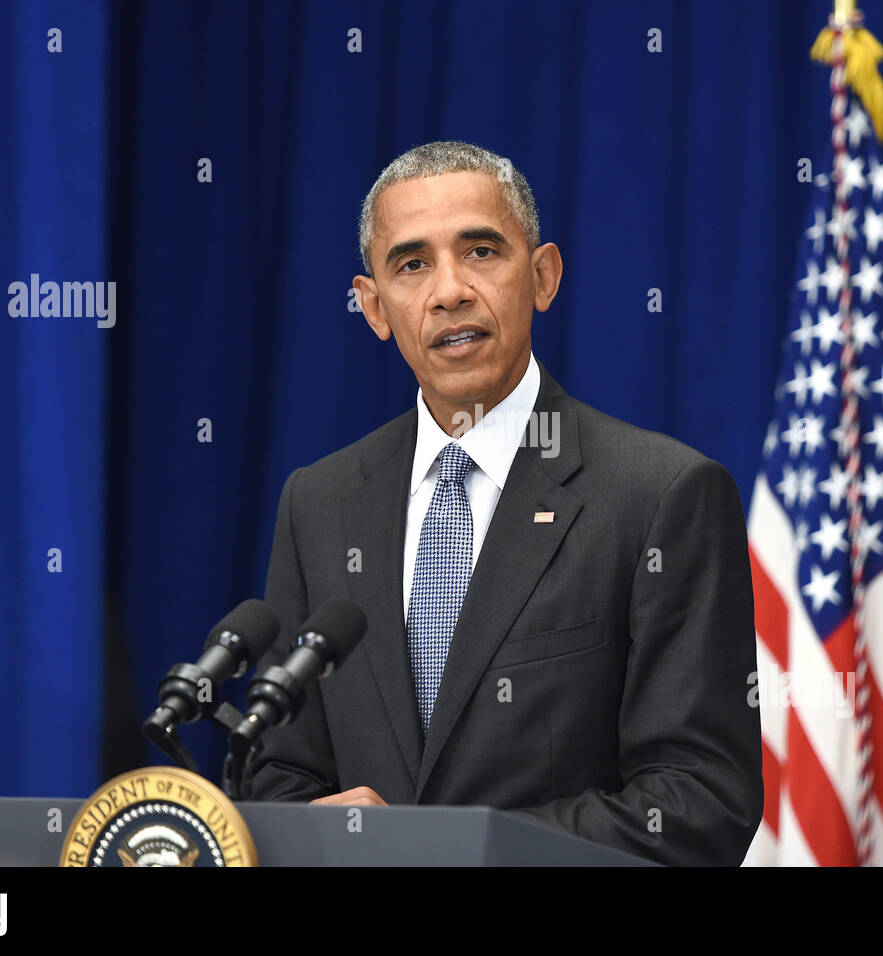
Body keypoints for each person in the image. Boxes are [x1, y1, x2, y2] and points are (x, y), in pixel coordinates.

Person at [248, 141, 761, 865]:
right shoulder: (320, 503)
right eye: (412, 264)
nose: (449, 290)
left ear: (542, 275)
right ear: (374, 307)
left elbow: (699, 800)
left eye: (481, 251)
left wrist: (448, 853)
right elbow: (279, 774)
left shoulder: (661, 494)